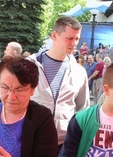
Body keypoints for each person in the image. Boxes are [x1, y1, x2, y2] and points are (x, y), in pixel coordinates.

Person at [28, 16, 89, 148]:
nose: (74, 43)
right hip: (32, 139)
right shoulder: (30, 65)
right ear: (54, 35)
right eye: (69, 38)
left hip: (64, 144)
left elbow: (82, 110)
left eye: (77, 39)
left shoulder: (79, 72)